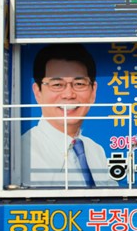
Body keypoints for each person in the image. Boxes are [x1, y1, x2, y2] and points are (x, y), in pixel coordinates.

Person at [21, 43, 117, 187]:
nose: (68, 94)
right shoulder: (23, 151)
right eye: (57, 85)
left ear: (93, 91)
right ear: (37, 92)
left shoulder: (95, 150)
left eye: (79, 84)